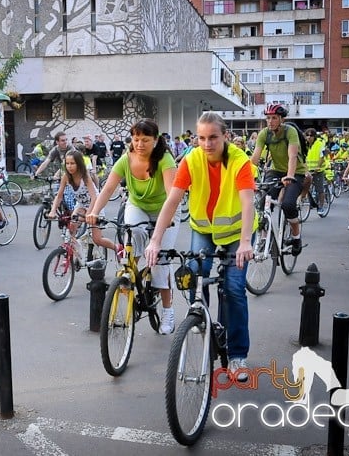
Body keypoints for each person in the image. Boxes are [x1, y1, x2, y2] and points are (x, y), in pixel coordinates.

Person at [145, 111, 256, 382]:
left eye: (213, 138)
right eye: (202, 138)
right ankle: (201, 315)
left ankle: (238, 355)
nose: (207, 144)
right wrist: (156, 240)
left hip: (235, 233)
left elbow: (247, 202)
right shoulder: (191, 159)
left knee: (233, 288)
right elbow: (171, 201)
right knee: (195, 271)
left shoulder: (239, 161)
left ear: (225, 136)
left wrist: (244, 242)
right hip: (204, 229)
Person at [87, 118, 180, 335]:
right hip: (137, 206)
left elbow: (171, 195)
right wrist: (94, 212)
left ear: (155, 140)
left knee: (160, 262)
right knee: (133, 232)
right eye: (136, 139)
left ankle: (168, 311)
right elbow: (108, 189)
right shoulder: (125, 160)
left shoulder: (165, 160)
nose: (139, 144)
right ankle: (130, 272)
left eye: (145, 139)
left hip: (164, 210)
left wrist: (163, 228)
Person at [249, 103, 305, 256]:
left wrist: (290, 175)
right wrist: (245, 177)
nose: (270, 121)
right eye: (268, 118)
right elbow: (254, 158)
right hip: (275, 171)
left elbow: (293, 155)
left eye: (274, 118)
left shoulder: (290, 131)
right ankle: (264, 237)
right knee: (262, 203)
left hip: (295, 172)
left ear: (282, 119)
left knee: (287, 205)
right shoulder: (264, 133)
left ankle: (296, 237)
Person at [51, 149, 118, 256]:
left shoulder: (85, 177)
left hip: (95, 206)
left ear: (79, 164)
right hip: (81, 205)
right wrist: (53, 211)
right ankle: (69, 255)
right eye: (67, 163)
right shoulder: (66, 177)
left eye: (72, 163)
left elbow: (94, 197)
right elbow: (59, 196)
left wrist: (90, 213)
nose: (69, 166)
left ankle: (117, 248)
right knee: (72, 224)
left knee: (98, 240)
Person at [304, 128, 327, 216]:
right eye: (307, 135)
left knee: (319, 189)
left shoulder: (320, 144)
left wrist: (318, 167)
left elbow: (322, 157)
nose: (309, 137)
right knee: (304, 186)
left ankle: (321, 206)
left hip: (318, 170)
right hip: (307, 170)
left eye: (311, 136)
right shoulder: (304, 145)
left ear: (314, 137)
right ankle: (309, 202)